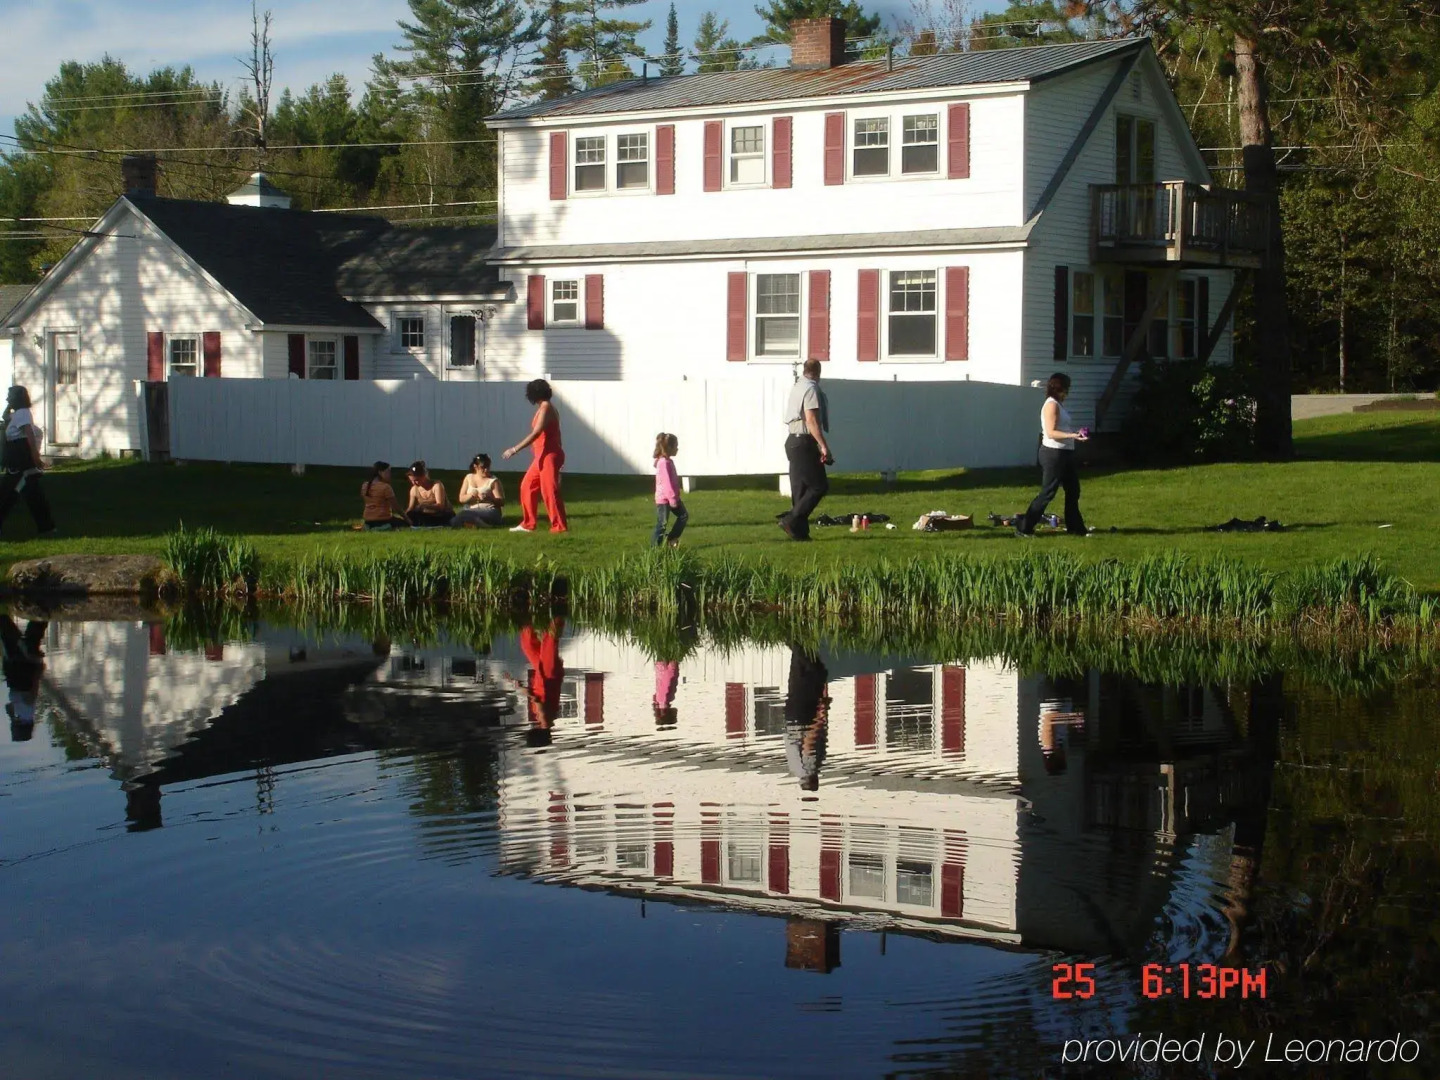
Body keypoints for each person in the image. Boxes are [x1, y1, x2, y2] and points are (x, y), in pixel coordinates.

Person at [1017, 372, 1089, 537]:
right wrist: (1073, 436)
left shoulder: (1059, 404)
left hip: (1065, 453)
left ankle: (1076, 528)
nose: (1067, 393)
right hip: (1053, 454)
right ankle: (1024, 527)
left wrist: (1074, 434)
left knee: (1073, 490)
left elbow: (1061, 428)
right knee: (1048, 492)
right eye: (1066, 389)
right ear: (1060, 389)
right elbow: (1051, 432)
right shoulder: (1051, 405)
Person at [502, 379, 568, 534]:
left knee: (549, 491)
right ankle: (528, 524)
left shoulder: (546, 408)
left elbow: (537, 432)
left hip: (549, 455)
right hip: (542, 456)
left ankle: (559, 527)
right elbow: (557, 435)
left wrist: (514, 449)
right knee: (527, 486)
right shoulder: (544, 408)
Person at [779, 360, 833, 542]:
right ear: (818, 372)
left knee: (800, 489)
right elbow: (811, 420)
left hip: (792, 441)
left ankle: (800, 533)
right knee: (819, 485)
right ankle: (791, 520)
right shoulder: (811, 389)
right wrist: (823, 445)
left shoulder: (798, 386)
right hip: (804, 442)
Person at [0, 386, 54, 537]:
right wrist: (10, 405)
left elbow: (29, 435)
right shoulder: (16, 414)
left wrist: (35, 457)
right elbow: (5, 416)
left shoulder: (23, 413)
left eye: (9, 396)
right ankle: (47, 527)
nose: (7, 398)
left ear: (18, 397)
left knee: (9, 494)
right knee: (30, 495)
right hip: (17, 461)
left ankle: (47, 527)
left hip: (21, 461)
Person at [512, 618, 566, 747]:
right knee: (549, 641)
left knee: (528, 645)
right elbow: (538, 701)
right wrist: (523, 690)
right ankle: (558, 613)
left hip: (541, 675)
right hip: (549, 675)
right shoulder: (546, 722)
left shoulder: (543, 721)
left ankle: (528, 616)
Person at [783, 645, 830, 791]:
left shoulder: (810, 769)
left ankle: (791, 638)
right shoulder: (795, 768)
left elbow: (808, 745)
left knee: (816, 671)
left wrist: (820, 716)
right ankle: (794, 635)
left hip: (804, 717)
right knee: (799, 670)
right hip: (791, 716)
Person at [1, 614, 46, 742]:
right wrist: (39, 670)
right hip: (19, 672)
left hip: (18, 672)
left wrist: (12, 717)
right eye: (13, 729)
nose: (11, 727)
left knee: (26, 639)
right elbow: (32, 692)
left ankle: (41, 613)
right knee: (11, 635)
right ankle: (41, 613)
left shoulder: (22, 715)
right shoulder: (26, 713)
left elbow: (8, 707)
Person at [651, 432, 688, 548]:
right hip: (665, 500)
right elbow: (667, 484)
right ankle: (655, 548)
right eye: (676, 446)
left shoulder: (668, 462)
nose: (677, 449)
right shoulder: (663, 463)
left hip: (672, 498)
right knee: (661, 524)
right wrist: (673, 500)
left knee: (683, 516)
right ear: (669, 448)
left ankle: (671, 539)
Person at [453, 453, 505, 528]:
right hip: (470, 508)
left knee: (466, 514)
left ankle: (477, 524)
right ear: (475, 467)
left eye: (488, 467)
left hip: (489, 510)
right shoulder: (469, 477)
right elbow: (461, 499)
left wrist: (489, 498)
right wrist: (471, 495)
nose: (486, 470)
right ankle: (475, 524)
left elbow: (501, 502)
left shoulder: (493, 481)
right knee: (454, 520)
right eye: (483, 467)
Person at [405, 460, 455, 528]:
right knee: (410, 515)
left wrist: (424, 506)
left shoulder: (436, 485)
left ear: (424, 476)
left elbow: (440, 506)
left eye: (416, 480)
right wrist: (405, 515)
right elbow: (410, 507)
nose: (414, 483)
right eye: (412, 481)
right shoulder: (414, 489)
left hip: (441, 515)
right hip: (426, 515)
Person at [360, 461, 407, 530]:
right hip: (382, 520)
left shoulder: (365, 485)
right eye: (388, 472)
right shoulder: (385, 487)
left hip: (368, 520)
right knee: (405, 525)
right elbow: (396, 507)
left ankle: (370, 527)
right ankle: (383, 527)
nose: (390, 475)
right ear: (380, 473)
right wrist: (407, 519)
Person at [653, 659, 679, 727]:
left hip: (665, 666)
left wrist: (673, 665)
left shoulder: (667, 698)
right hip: (660, 667)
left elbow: (669, 680)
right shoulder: (659, 701)